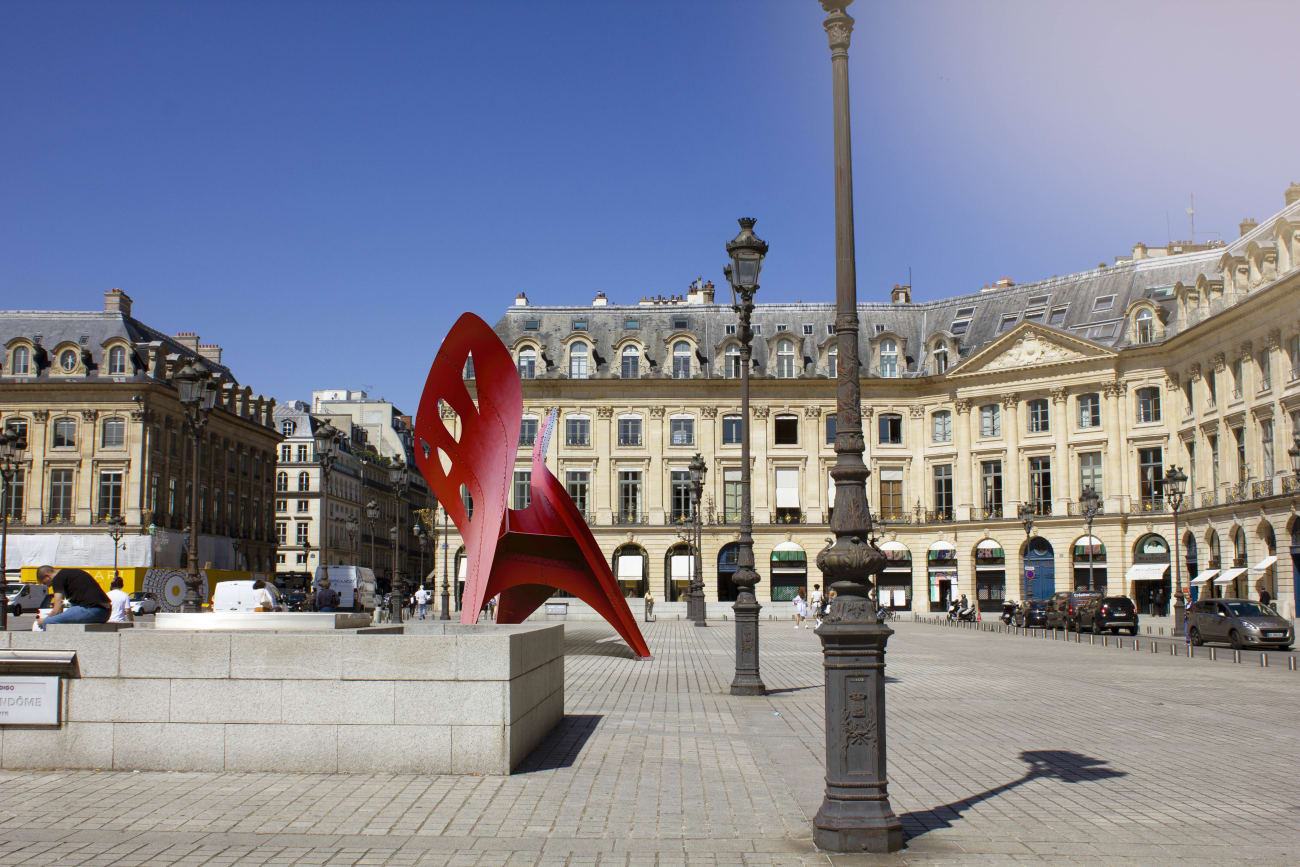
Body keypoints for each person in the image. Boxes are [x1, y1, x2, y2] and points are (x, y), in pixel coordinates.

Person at [34, 565, 111, 628]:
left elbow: (57, 609)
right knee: (65, 615)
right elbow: (59, 612)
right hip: (105, 613)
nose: (48, 586)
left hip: (92, 610)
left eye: (45, 583)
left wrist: (44, 621)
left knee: (48, 623)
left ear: (47, 576)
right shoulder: (72, 572)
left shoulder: (57, 578)